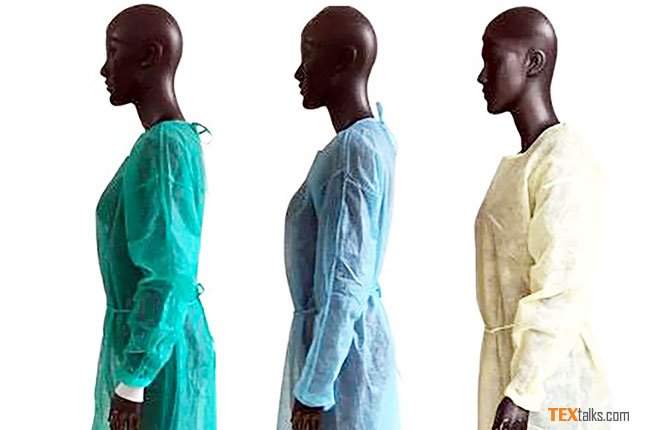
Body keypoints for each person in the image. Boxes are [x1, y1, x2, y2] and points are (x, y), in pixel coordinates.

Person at [475, 6, 610, 430]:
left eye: (492, 59)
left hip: (554, 384)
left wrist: (522, 391)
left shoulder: (562, 161)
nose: (481, 76)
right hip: (512, 370)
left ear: (533, 62)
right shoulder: (523, 164)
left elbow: (560, 288)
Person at [93, 4, 216, 429]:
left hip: (156, 361)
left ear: (150, 55)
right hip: (154, 344)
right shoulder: (169, 142)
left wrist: (134, 380)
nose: (104, 69)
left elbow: (168, 274)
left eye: (114, 52)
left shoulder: (163, 148)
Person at [278, 6, 399, 430]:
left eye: (308, 55)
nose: (299, 72)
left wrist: (314, 389)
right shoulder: (371, 141)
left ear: (345, 60)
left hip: (339, 372)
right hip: (341, 354)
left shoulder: (353, 151)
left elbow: (345, 281)